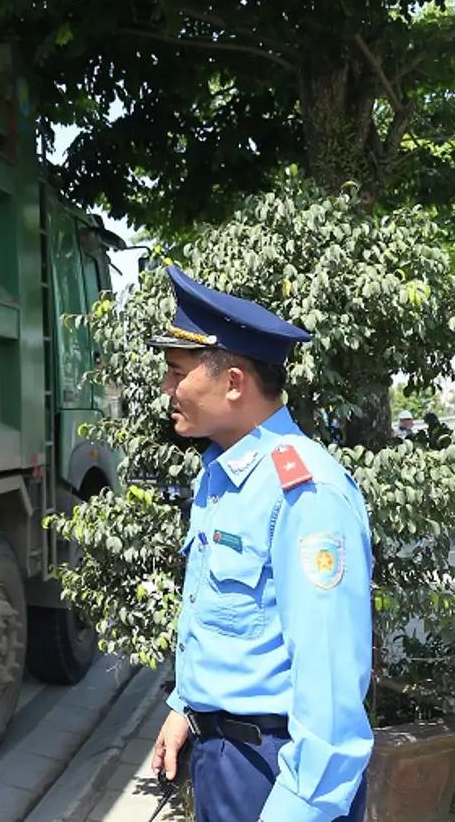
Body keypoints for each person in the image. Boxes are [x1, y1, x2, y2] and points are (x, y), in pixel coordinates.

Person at [148, 266, 374, 822]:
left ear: (233, 383)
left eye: (177, 372)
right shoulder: (222, 474)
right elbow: (236, 627)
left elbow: (330, 695)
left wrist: (297, 809)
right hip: (225, 758)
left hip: (280, 775)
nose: (166, 389)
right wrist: (186, 708)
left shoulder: (305, 495)